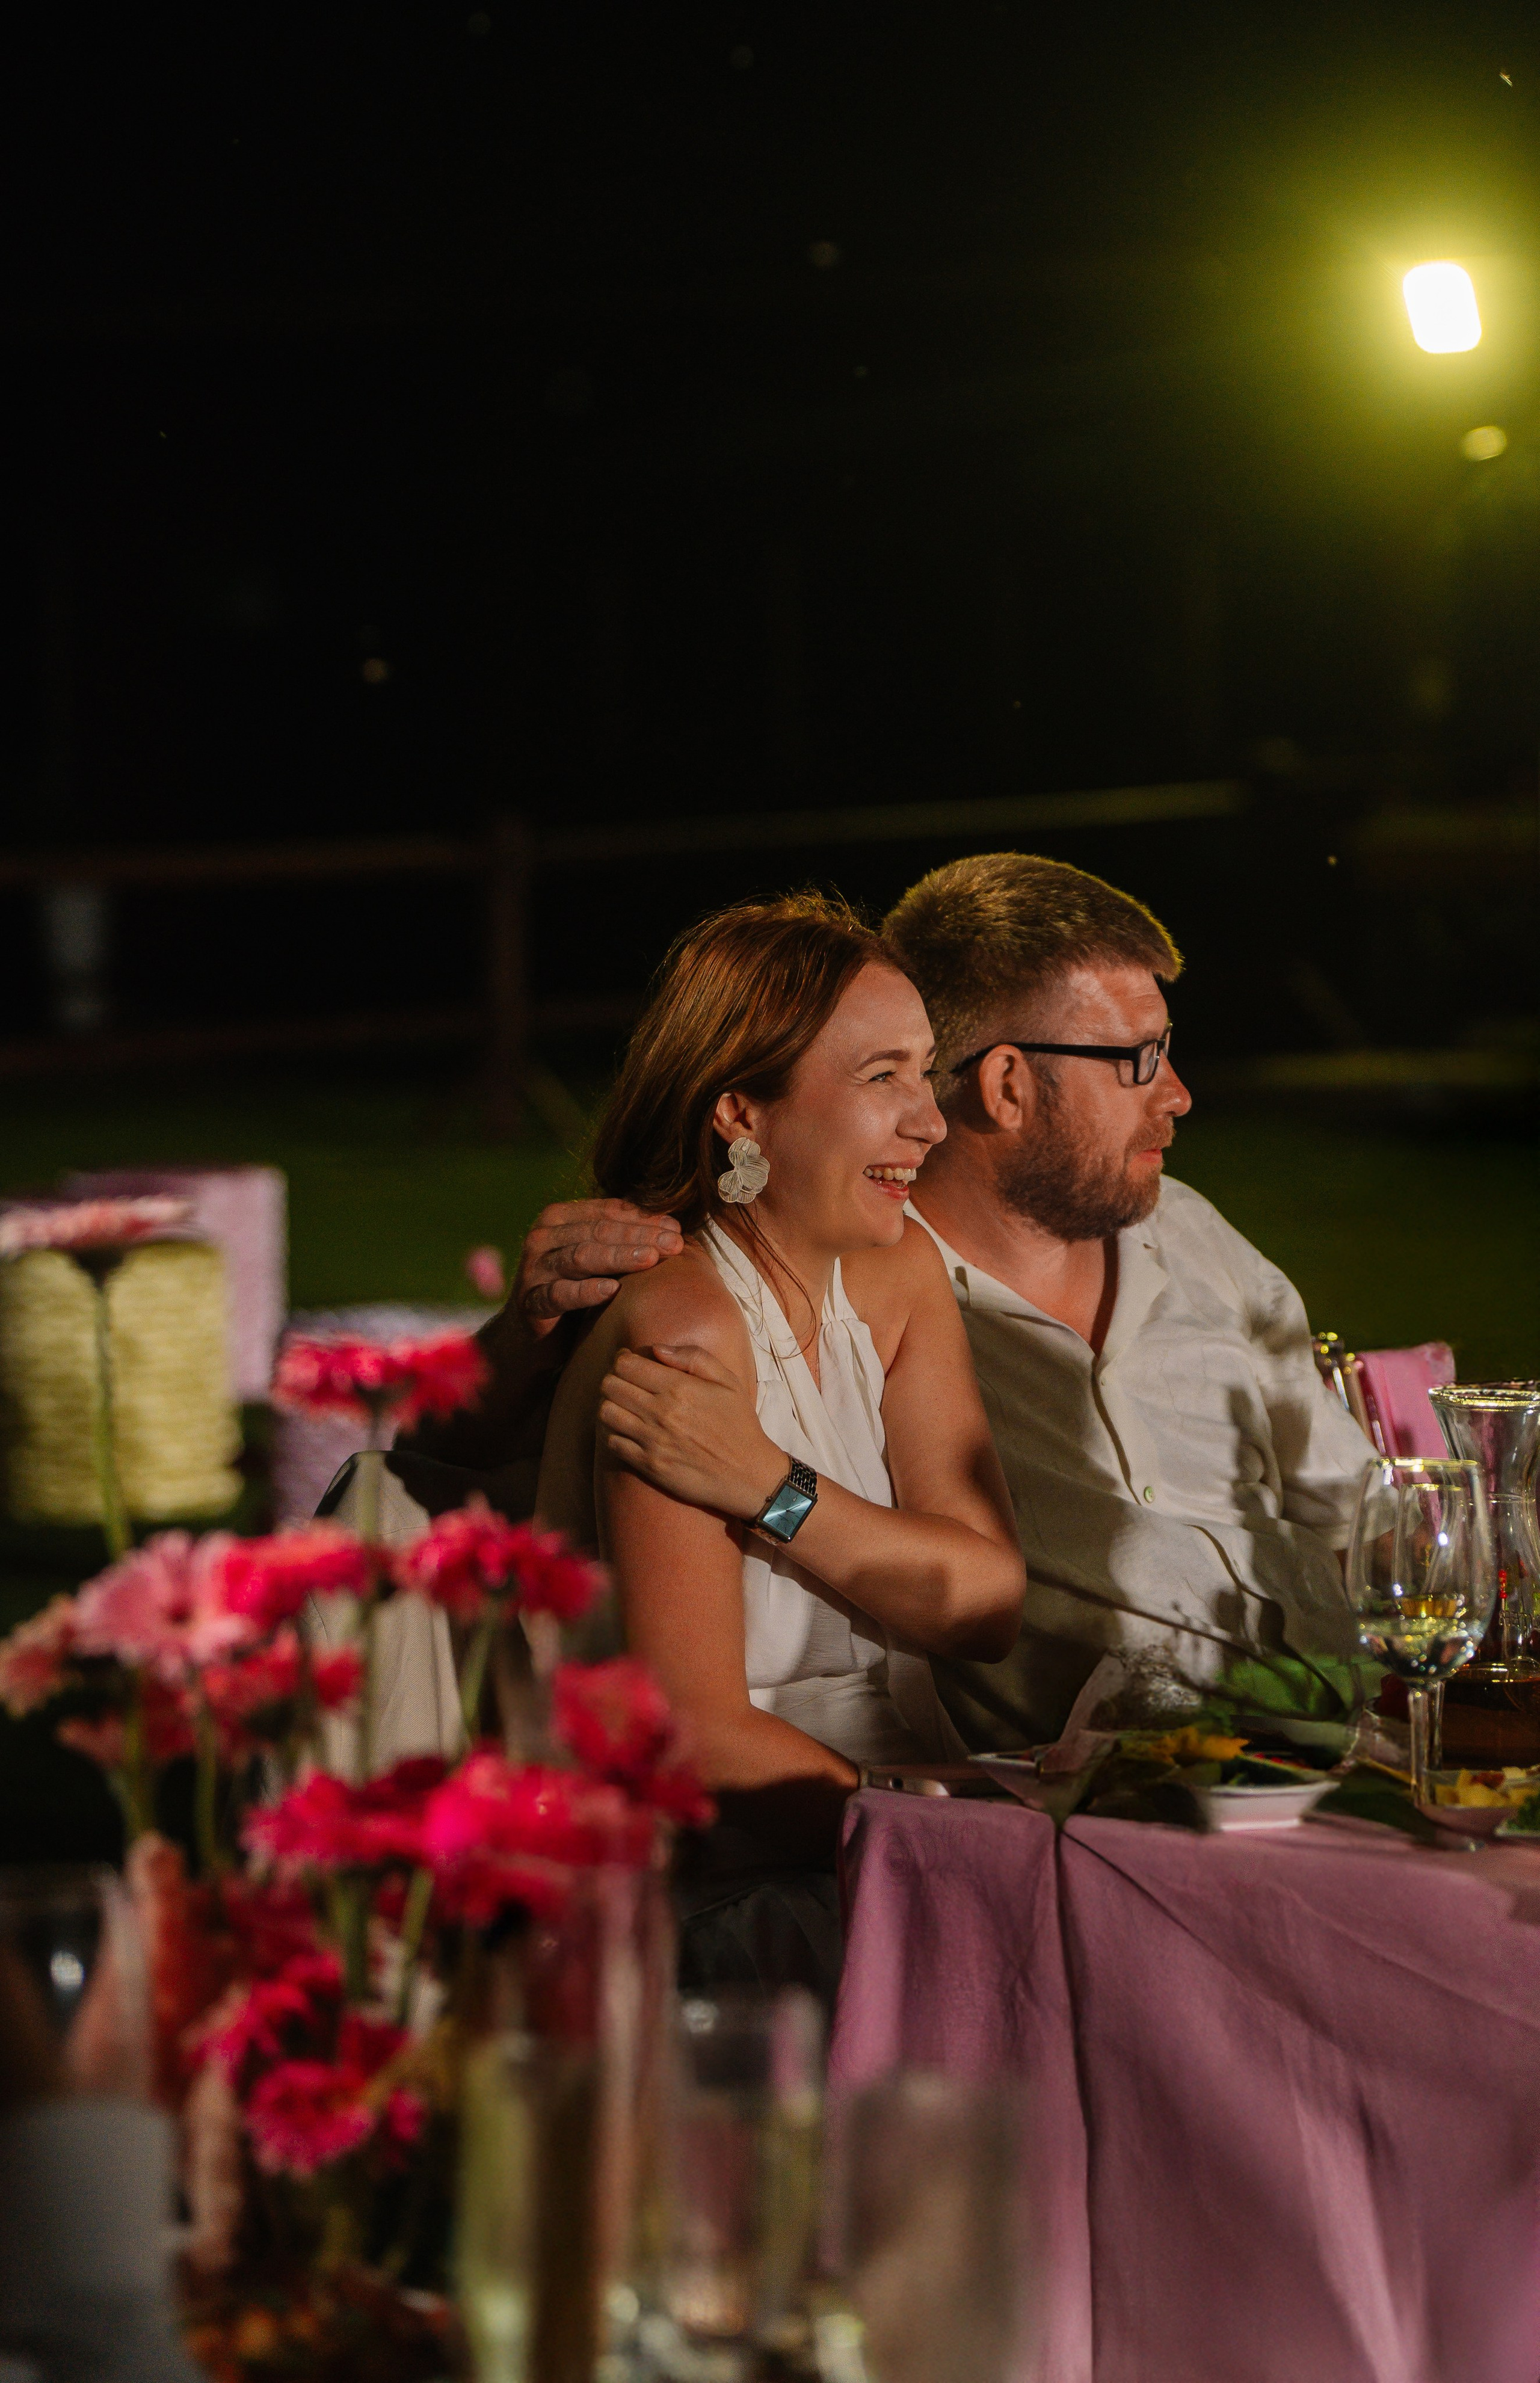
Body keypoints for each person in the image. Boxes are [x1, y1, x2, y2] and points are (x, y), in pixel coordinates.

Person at [417, 852, 1369, 1748]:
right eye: (1137, 1057)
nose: (1180, 1094)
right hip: (991, 1810)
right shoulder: (730, 1309)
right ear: (1005, 1082)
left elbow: (1356, 1513)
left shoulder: (1175, 1237)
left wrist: (774, 1490)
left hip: (1339, 1721)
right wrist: (521, 1335)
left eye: (922, 1070)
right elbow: (460, 1467)